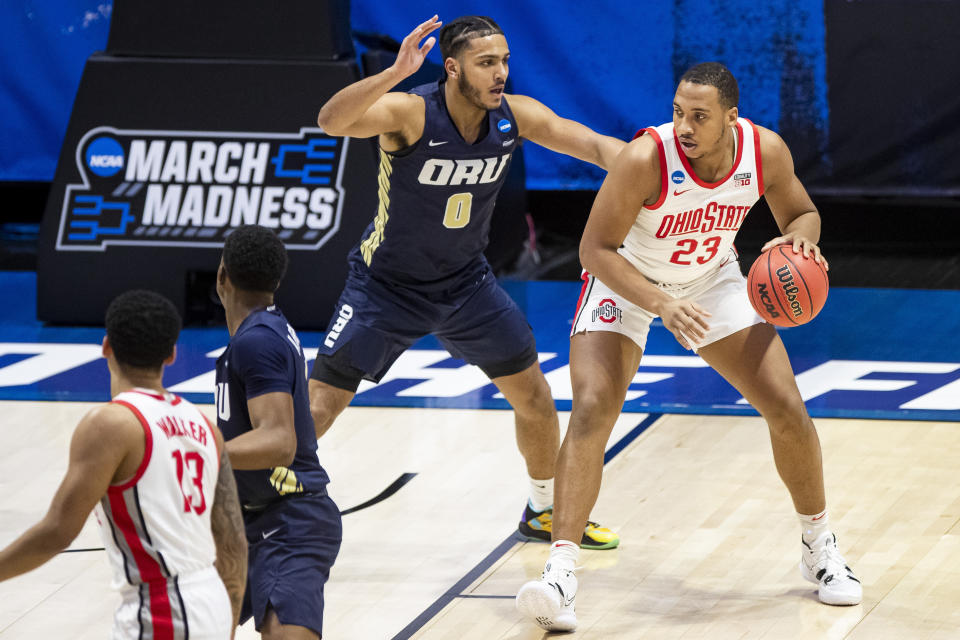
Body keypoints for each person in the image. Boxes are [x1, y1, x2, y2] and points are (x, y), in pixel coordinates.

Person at [516, 62, 862, 631]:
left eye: (699, 116)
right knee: (592, 409)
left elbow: (802, 211)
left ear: (731, 116)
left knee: (788, 410)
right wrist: (658, 302)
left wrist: (801, 240)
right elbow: (595, 251)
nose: (684, 125)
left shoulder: (763, 151)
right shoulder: (645, 159)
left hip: (712, 281)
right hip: (627, 284)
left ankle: (819, 548)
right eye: (679, 111)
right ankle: (560, 574)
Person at [309, 14, 626, 550]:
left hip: (466, 286)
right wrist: (395, 73)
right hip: (385, 288)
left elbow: (595, 147)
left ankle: (543, 511)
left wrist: (666, 178)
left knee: (536, 398)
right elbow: (331, 122)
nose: (500, 73)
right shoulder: (410, 114)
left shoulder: (513, 118)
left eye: (504, 61)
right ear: (452, 68)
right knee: (320, 407)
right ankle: (253, 497)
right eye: (486, 64)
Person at [0, 290, 247, 639]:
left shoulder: (110, 424)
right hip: (213, 600)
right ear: (172, 354)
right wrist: (225, 621)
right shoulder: (205, 427)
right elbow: (233, 542)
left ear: (106, 347)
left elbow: (58, 530)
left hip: (164, 607)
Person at [215, 224, 342, 640]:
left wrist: (203, 452)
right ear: (277, 282)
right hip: (249, 520)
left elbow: (279, 441)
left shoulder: (257, 342)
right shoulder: (266, 331)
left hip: (291, 518)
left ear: (222, 277)